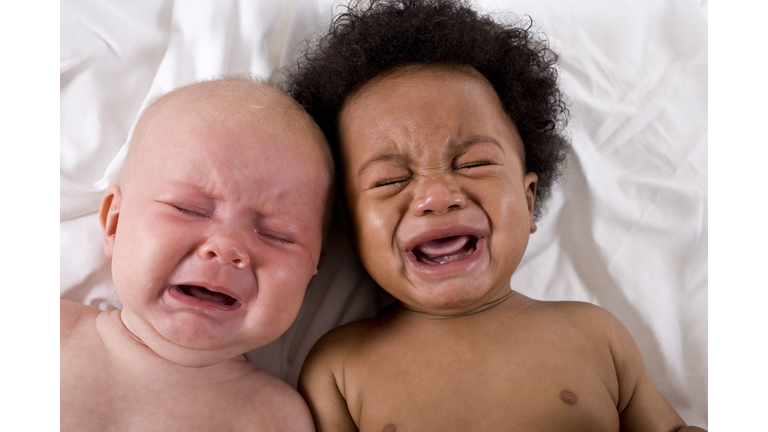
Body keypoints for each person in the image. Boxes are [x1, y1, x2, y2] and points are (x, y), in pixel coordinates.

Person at [286, 1, 707, 430]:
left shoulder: (593, 335)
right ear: (346, 227)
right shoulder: (338, 368)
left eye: (472, 164)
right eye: (390, 179)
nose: (436, 195)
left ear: (528, 201)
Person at [60, 77, 331, 432]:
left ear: (312, 271)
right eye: (188, 209)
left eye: (276, 235)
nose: (227, 248)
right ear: (114, 224)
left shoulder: (275, 417)